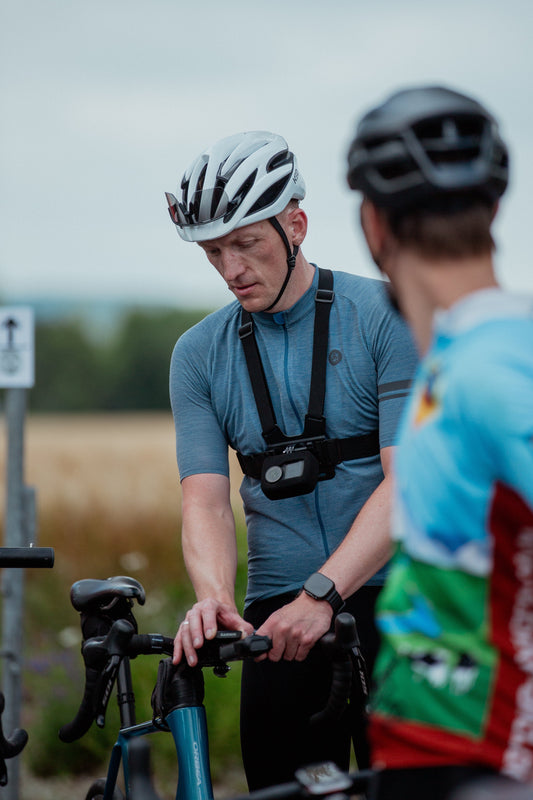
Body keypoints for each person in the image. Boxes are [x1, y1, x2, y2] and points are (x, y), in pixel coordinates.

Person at [166, 130, 418, 789]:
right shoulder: (197, 354)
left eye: (245, 242)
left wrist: (323, 594)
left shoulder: (384, 314)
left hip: (399, 598)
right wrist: (214, 599)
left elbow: (407, 480)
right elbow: (204, 499)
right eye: (213, 250)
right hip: (278, 615)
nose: (230, 268)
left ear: (295, 224)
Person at [346, 85, 533, 800]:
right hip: (426, 757)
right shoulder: (456, 360)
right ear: (492, 209)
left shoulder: (493, 372)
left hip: (484, 768)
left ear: (373, 224)